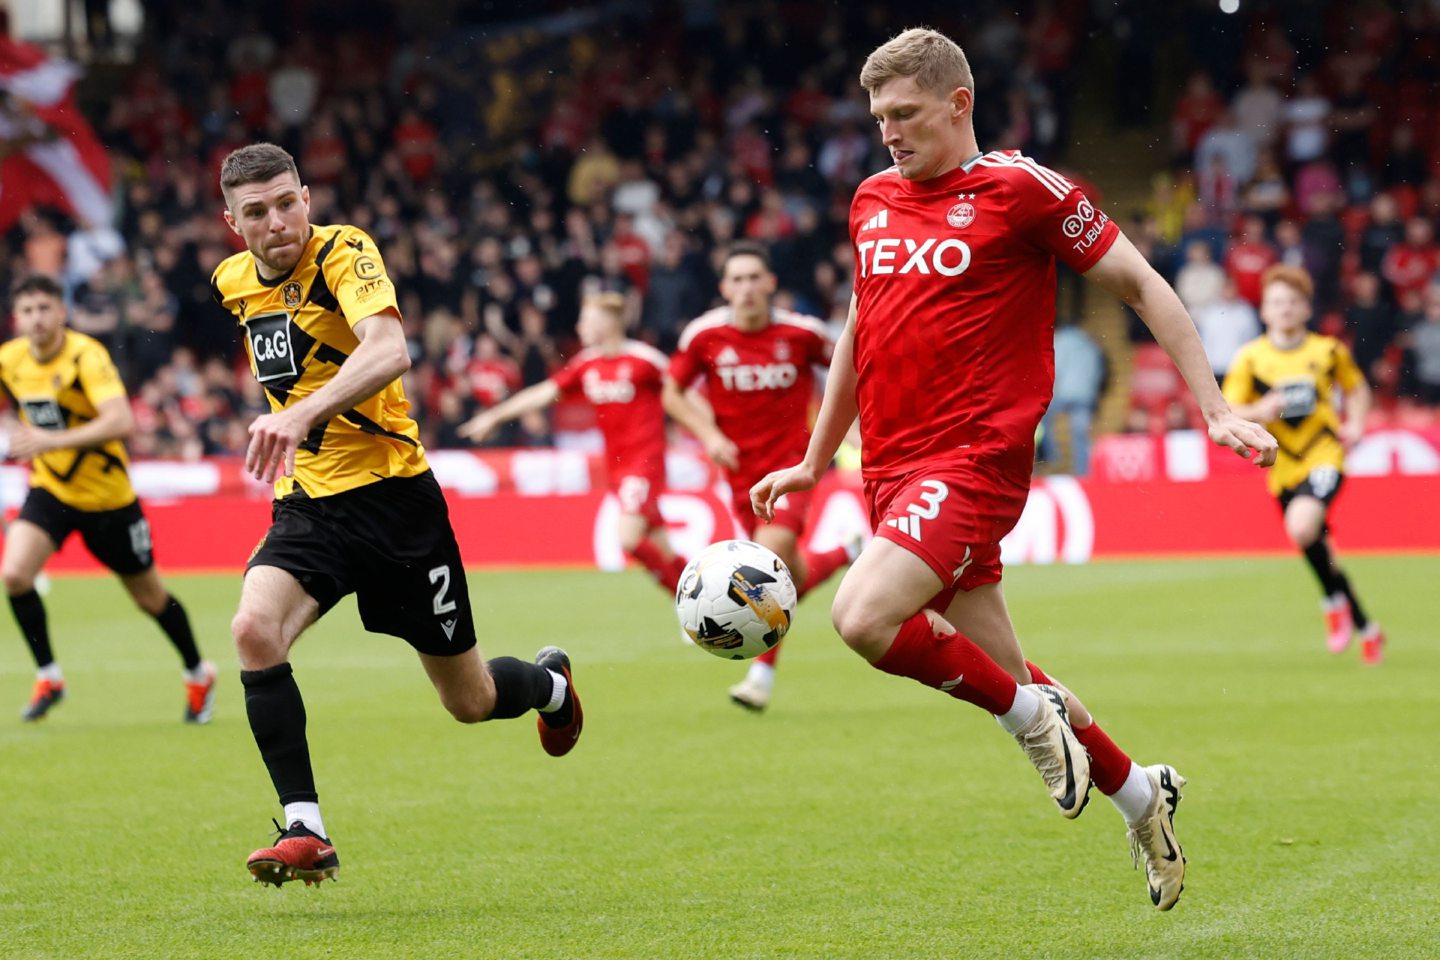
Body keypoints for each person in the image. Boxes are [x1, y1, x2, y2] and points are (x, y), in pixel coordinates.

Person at [750, 28, 1277, 911]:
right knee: (1009, 667)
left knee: (861, 616)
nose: (889, 132)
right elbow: (857, 333)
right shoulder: (872, 199)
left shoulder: (1020, 189)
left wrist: (1214, 406)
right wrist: (812, 458)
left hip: (974, 460)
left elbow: (1143, 286)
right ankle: (1144, 797)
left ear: (958, 104)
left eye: (906, 113)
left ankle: (1027, 722)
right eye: (880, 116)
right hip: (891, 467)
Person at [211, 143, 582, 888]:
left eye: (287, 203)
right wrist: (295, 423)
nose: (276, 221)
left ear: (307, 199)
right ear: (232, 222)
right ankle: (305, 829)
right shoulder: (232, 283)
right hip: (312, 503)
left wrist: (299, 414)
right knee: (253, 629)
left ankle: (551, 688)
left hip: (397, 504)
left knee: (470, 701)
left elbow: (389, 350)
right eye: (257, 211)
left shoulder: (344, 253)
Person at [0, 275, 215, 724]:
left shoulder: (86, 356)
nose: (36, 319)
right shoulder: (11, 359)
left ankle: (198, 673)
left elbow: (121, 422)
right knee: (15, 574)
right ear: (16, 318)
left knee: (149, 598)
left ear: (61, 312)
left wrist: (47, 438)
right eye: (27, 311)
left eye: (44, 308)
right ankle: (49, 675)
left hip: (109, 502)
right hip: (52, 491)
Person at [664, 242, 854, 712]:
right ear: (724, 288)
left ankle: (760, 675)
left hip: (792, 467)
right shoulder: (704, 336)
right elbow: (671, 392)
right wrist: (708, 435)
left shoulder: (803, 333)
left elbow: (851, 373)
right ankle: (847, 552)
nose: (747, 288)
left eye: (755, 278)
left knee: (765, 564)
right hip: (738, 474)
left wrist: (852, 435)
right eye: (738, 280)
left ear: (770, 283)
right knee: (785, 572)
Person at [459, 291, 686, 591]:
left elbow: (684, 393)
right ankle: (697, 599)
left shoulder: (645, 360)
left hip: (645, 464)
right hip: (617, 467)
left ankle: (689, 607)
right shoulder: (586, 364)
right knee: (662, 548)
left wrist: (711, 433)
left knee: (628, 538)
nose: (580, 327)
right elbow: (542, 393)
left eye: (586, 320)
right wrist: (495, 416)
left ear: (609, 322)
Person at [1223, 265, 1383, 663]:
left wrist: (1358, 423)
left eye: (1293, 302)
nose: (1285, 309)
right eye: (1277, 302)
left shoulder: (1327, 350)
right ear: (1264, 310)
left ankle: (1332, 604)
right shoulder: (1251, 358)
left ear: (1306, 309)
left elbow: (1357, 388)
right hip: (1281, 464)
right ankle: (1365, 624)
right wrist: (1262, 408)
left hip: (1324, 453)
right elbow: (1229, 410)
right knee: (1318, 546)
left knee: (1302, 524)